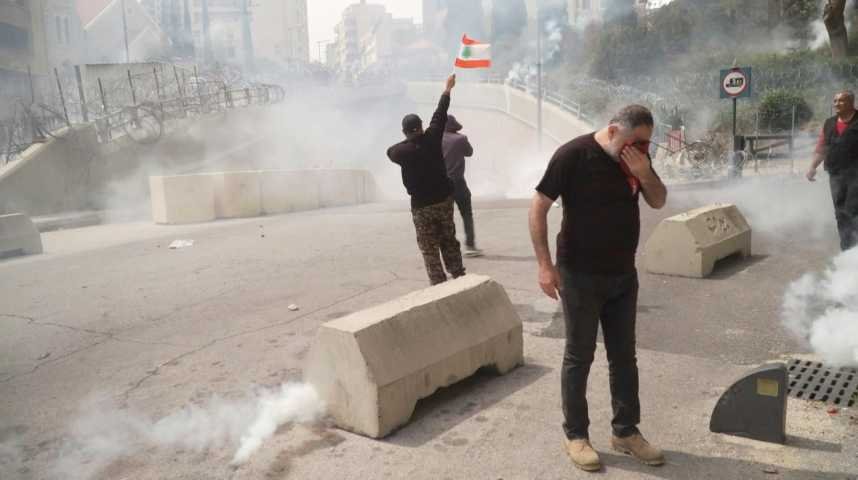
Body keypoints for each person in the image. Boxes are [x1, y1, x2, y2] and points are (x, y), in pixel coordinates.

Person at [528, 105, 668, 472]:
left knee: (624, 357)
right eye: (636, 141)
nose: (641, 149)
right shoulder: (573, 155)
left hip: (623, 274)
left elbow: (658, 199)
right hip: (579, 275)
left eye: (647, 143)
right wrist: (545, 265)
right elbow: (539, 206)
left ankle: (626, 431)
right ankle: (576, 435)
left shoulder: (637, 158)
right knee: (580, 356)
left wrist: (644, 172)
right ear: (612, 130)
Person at [387, 74, 465, 285]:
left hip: (421, 207)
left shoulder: (401, 152)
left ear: (404, 132)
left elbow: (389, 151)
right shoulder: (432, 137)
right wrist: (447, 88)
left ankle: (439, 285)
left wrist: (409, 140)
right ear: (422, 126)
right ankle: (459, 277)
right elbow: (441, 113)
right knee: (449, 240)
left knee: (429, 248)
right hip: (443, 201)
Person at [807, 90, 858, 251]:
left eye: (841, 101)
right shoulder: (829, 123)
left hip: (856, 175)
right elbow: (822, 148)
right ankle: (847, 249)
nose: (836, 104)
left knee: (853, 210)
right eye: (835, 100)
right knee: (840, 212)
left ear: (851, 102)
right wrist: (813, 167)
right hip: (835, 174)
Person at [442, 114, 482, 257]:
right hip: (458, 182)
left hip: (441, 184)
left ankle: (448, 249)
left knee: (446, 217)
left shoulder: (435, 139)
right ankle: (470, 246)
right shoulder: (460, 139)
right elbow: (469, 152)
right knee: (466, 214)